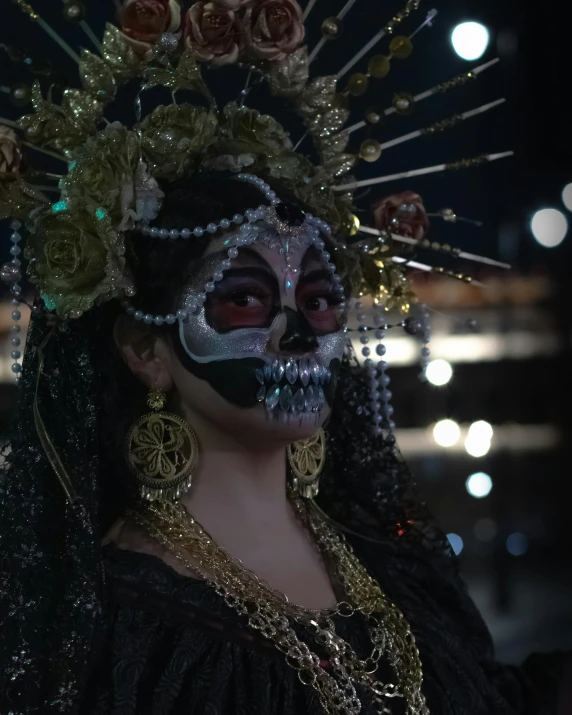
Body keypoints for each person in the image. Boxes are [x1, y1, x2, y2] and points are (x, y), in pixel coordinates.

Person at [0, 1, 569, 713]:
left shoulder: (387, 561)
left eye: (323, 300)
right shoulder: (123, 629)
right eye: (243, 301)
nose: (299, 334)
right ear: (144, 349)